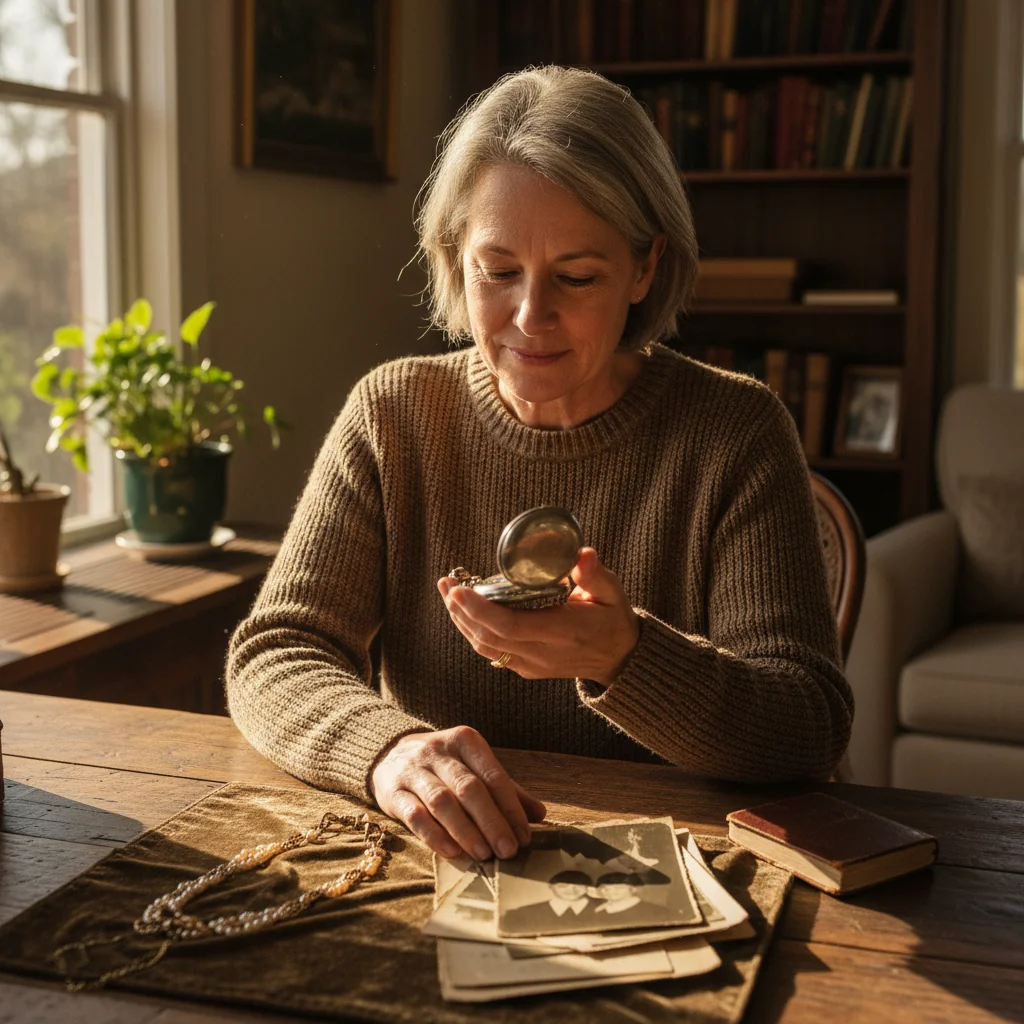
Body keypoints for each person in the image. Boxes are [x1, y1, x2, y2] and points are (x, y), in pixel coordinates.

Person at [226, 66, 853, 868]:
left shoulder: (735, 430)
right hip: (445, 864)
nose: (530, 316)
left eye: (577, 276)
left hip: (680, 874)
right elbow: (276, 651)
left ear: (644, 268)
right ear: (455, 261)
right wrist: (389, 755)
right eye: (498, 270)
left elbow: (807, 726)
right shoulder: (394, 414)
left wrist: (623, 657)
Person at [500, 871, 598, 934]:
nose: (571, 890)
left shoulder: (604, 910)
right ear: (550, 886)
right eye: (562, 885)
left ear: (587, 887)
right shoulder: (523, 913)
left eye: (579, 885)